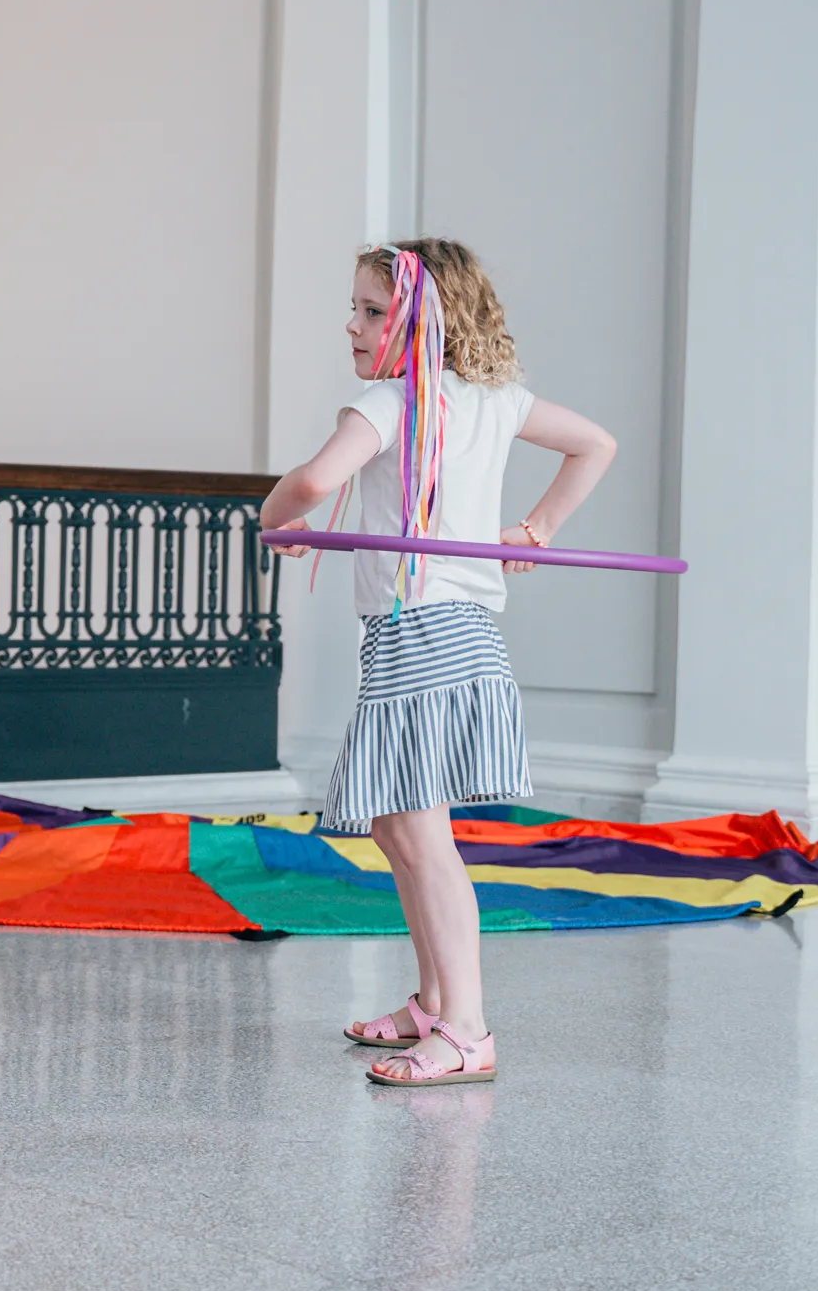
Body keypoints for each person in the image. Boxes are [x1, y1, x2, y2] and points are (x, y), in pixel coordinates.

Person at [262, 239, 616, 1086]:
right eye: (353, 308)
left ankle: (467, 1029)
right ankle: (431, 1002)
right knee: (397, 824)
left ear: (425, 319)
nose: (353, 324)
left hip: (424, 634)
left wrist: (275, 515)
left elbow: (311, 484)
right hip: (445, 633)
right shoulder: (495, 401)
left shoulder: (383, 404)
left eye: (373, 311)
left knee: (422, 834)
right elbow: (595, 444)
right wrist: (537, 528)